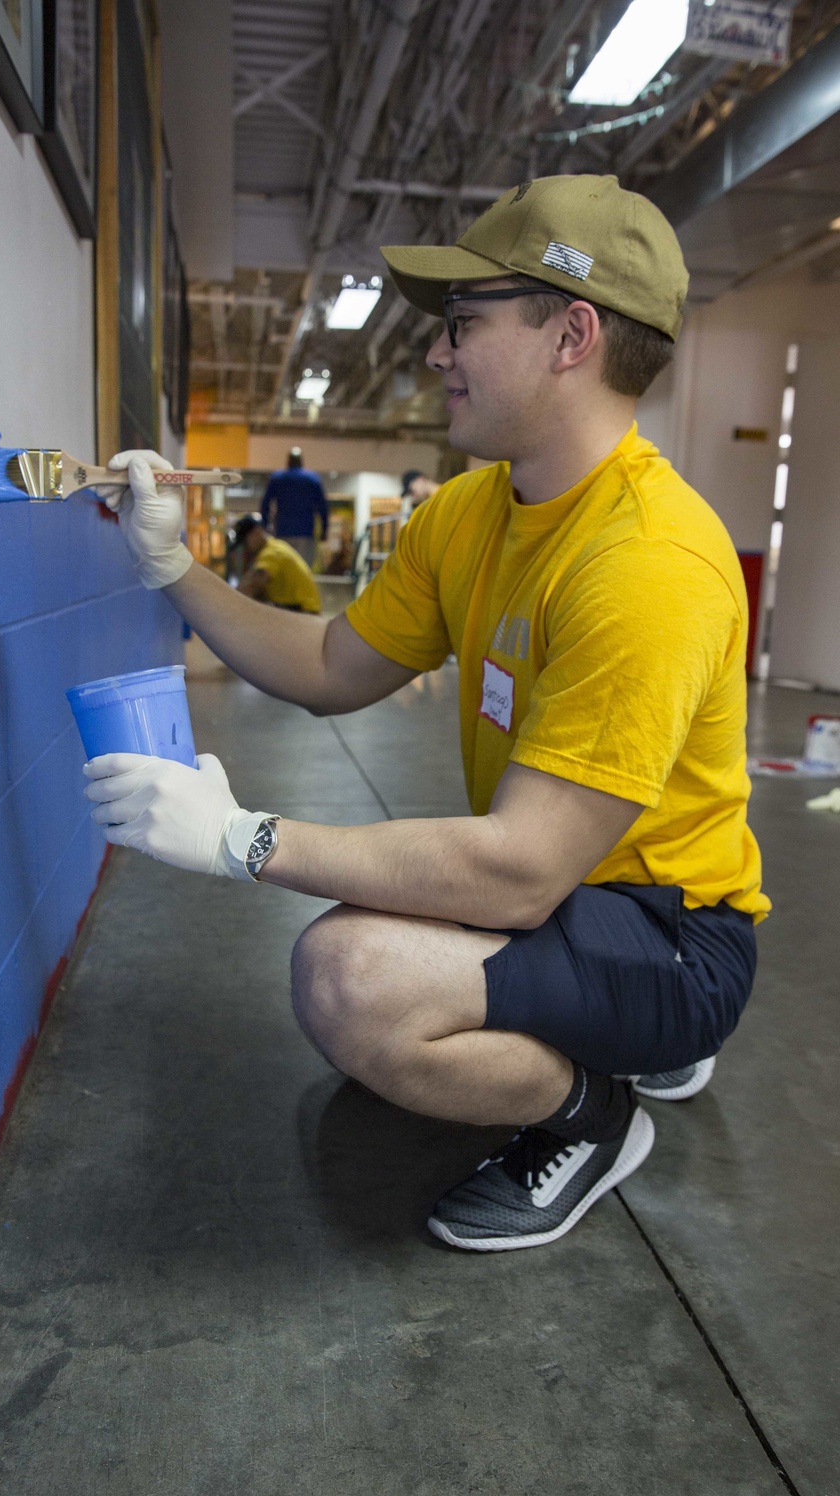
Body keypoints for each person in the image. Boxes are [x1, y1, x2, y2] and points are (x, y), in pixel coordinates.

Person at [86, 174, 768, 1253]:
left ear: (571, 336)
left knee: (346, 983)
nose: (437, 354)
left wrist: (240, 839)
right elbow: (323, 663)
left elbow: (516, 871)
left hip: (670, 932)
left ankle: (593, 1113)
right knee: (372, 1001)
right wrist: (169, 563)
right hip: (562, 901)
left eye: (464, 325)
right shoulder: (467, 513)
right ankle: (598, 1033)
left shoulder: (648, 564)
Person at [229, 513, 321, 614]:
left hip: (305, 614)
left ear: (256, 532)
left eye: (245, 542)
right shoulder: (275, 546)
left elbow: (249, 588)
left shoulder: (271, 553)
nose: (245, 548)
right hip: (300, 611)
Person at [260, 447, 330, 567]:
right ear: (302, 462)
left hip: (283, 532)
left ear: (288, 461)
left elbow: (265, 504)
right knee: (303, 569)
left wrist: (265, 526)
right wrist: (324, 529)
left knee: (283, 569)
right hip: (305, 533)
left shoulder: (277, 478)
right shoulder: (312, 479)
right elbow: (323, 507)